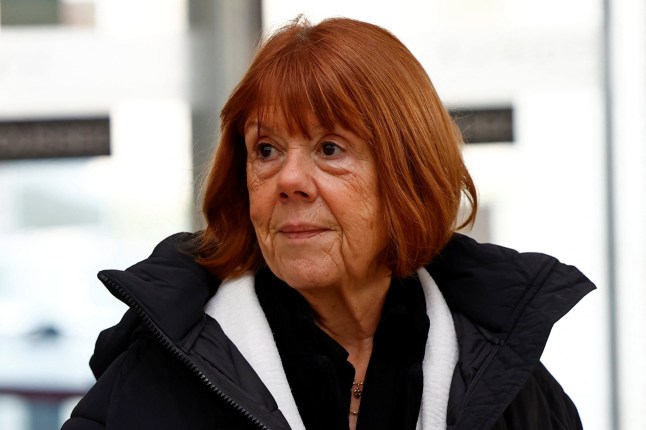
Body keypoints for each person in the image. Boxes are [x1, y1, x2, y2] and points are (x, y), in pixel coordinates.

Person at [62, 16, 594, 430]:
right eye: (265, 150)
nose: (289, 179)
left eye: (330, 147)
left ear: (406, 174)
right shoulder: (155, 379)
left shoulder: (508, 384)